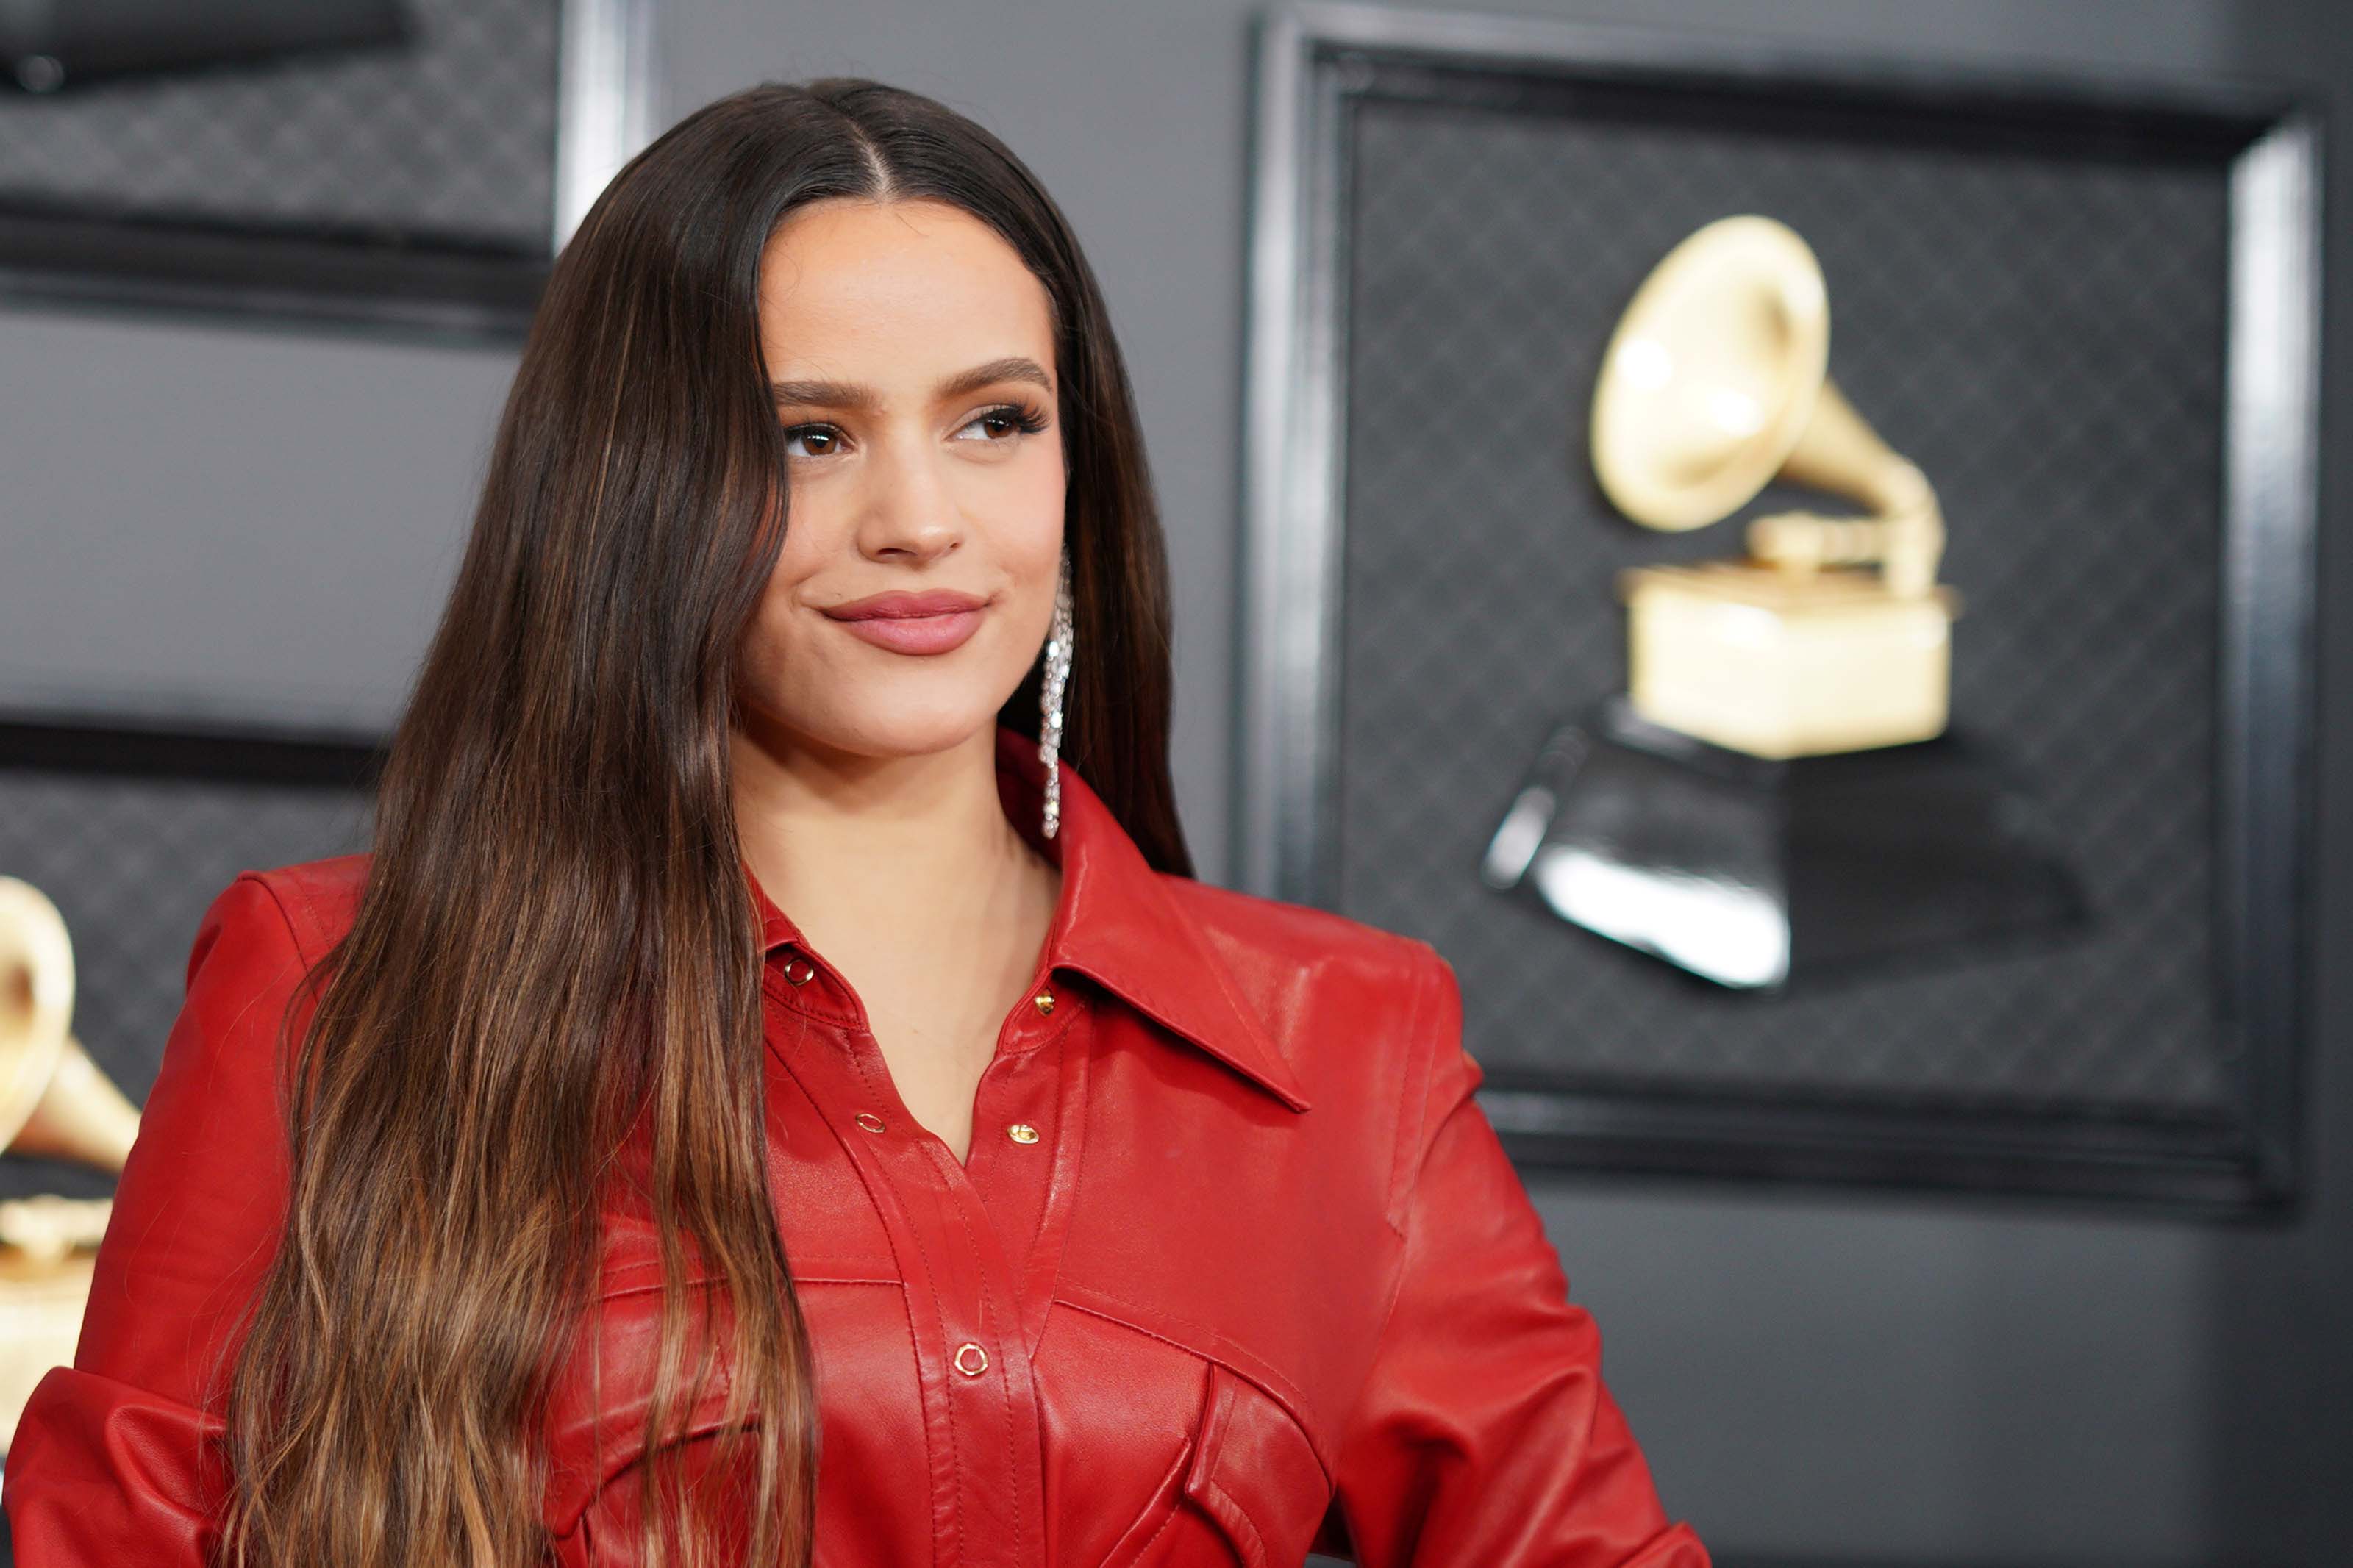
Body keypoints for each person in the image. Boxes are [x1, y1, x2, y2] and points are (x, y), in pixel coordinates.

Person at [1, 78, 1711, 1568]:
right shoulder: (336, 983)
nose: (919, 519)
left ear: (1074, 469)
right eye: (807, 435)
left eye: (994, 422)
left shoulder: (1347, 1047)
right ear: (635, 496)